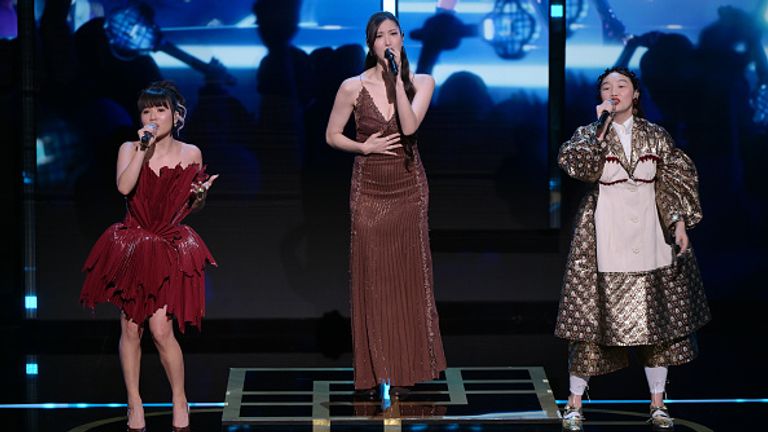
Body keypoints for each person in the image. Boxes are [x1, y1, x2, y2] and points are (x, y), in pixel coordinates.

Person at [554, 67, 710, 431]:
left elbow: (672, 183)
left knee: (657, 321)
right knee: (589, 322)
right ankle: (574, 402)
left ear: (635, 94)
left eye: (621, 85)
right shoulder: (589, 135)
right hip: (604, 232)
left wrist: (679, 223)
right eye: (607, 87)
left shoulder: (656, 136)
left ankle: (657, 402)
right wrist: (598, 129)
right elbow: (577, 165)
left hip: (649, 233)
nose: (614, 91)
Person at [80, 81, 218, 432]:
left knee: (160, 328)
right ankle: (134, 403)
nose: (153, 116)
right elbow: (124, 188)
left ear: (176, 114)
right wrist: (143, 148)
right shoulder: (130, 147)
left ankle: (179, 397)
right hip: (133, 244)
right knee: (130, 328)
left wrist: (200, 197)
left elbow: (191, 207)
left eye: (160, 109)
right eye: (146, 110)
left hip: (169, 245)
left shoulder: (191, 153)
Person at [324, 11, 447, 401]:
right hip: (370, 190)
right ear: (370, 44)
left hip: (409, 187)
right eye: (380, 36)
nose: (388, 41)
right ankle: (380, 373)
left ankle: (410, 365)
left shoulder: (422, 82)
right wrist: (363, 147)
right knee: (375, 280)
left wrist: (397, 82)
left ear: (402, 39)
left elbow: (409, 128)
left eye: (394, 34)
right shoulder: (351, 87)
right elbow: (331, 135)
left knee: (410, 278)